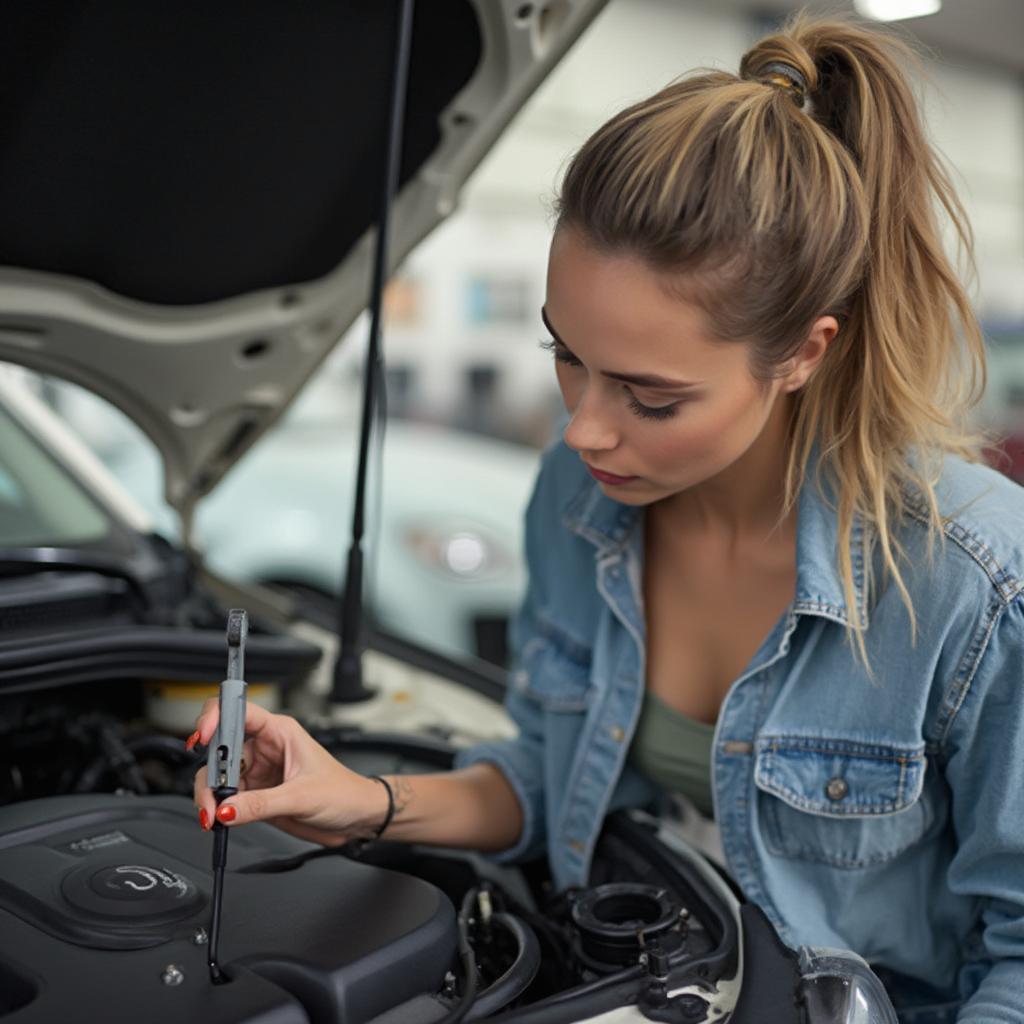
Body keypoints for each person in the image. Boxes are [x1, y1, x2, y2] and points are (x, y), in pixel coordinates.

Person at [192, 13, 1024, 1021]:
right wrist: (360, 799)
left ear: (803, 354)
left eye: (649, 397)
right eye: (565, 354)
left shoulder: (973, 581)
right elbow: (548, 782)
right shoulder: (577, 498)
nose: (582, 430)